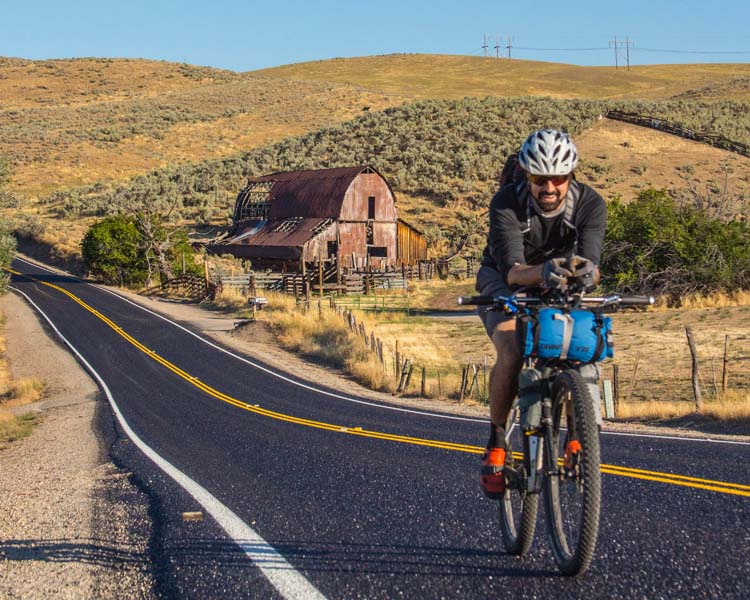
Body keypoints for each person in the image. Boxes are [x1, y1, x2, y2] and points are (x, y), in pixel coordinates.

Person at [476, 129, 607, 499]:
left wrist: (585, 273)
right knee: (513, 346)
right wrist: (546, 270)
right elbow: (513, 271)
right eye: (539, 179)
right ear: (526, 174)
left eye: (558, 178)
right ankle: (497, 441)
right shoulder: (506, 203)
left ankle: (578, 437)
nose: (549, 187)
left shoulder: (590, 204)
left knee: (577, 346)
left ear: (571, 175)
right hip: (504, 278)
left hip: (561, 278)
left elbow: (593, 265)